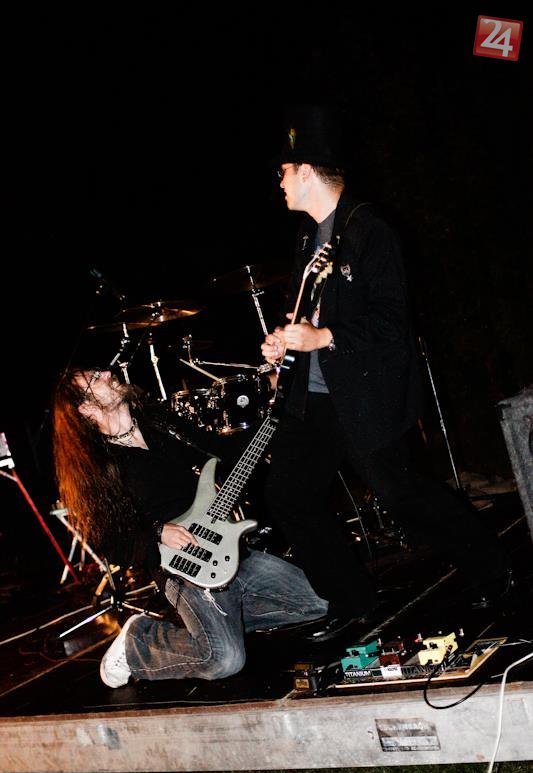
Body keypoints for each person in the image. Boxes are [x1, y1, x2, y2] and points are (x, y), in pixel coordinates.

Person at [261, 105, 512, 642]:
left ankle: (493, 568)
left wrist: (325, 337)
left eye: (283, 171)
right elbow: (307, 314)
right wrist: (285, 341)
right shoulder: (306, 239)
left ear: (307, 171)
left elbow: (392, 322)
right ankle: (351, 600)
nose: (278, 181)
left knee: (402, 494)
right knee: (288, 495)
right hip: (313, 396)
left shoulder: (370, 232)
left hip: (362, 394)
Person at [52, 367, 328, 688]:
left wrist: (273, 407)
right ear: (86, 408)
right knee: (224, 660)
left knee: (322, 600)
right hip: (185, 571)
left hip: (230, 549)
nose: (106, 373)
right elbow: (111, 542)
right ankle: (139, 641)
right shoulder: (99, 467)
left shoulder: (161, 422)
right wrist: (158, 532)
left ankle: (221, 625)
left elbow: (225, 452)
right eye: (94, 379)